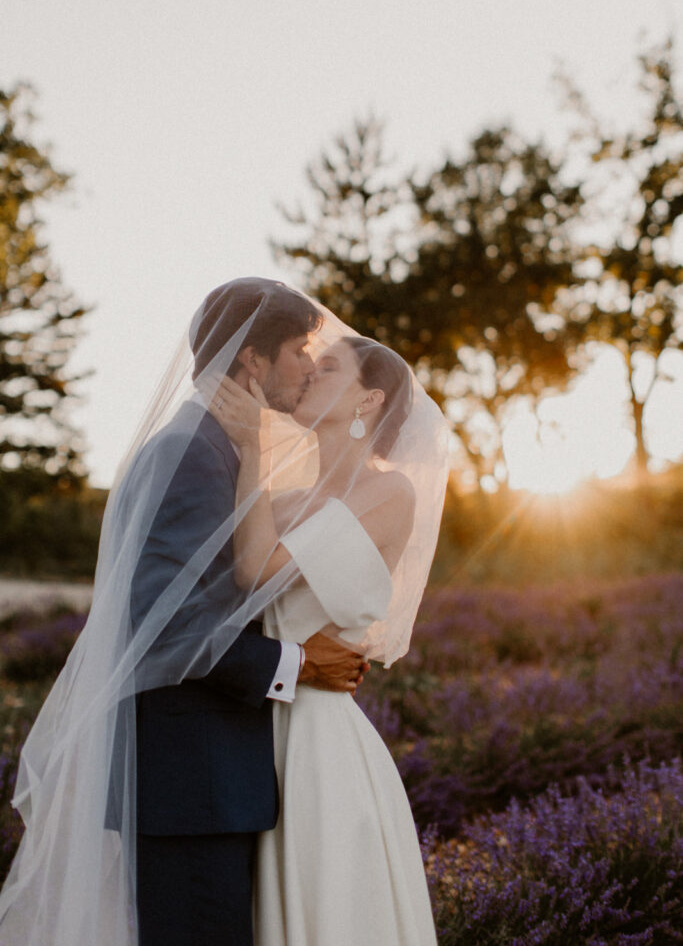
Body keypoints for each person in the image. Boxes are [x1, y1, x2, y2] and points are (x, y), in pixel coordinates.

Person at [0, 279, 373, 946]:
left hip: (209, 782)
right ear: (251, 361)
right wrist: (298, 663)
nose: (307, 367)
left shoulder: (214, 449)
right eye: (297, 350)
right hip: (191, 788)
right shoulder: (189, 455)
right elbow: (169, 628)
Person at [207, 332, 449, 944]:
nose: (311, 372)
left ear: (368, 401)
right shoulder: (282, 499)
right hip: (253, 731)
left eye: (331, 367)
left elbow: (255, 569)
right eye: (311, 363)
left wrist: (254, 450)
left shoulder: (389, 490)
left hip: (318, 743)